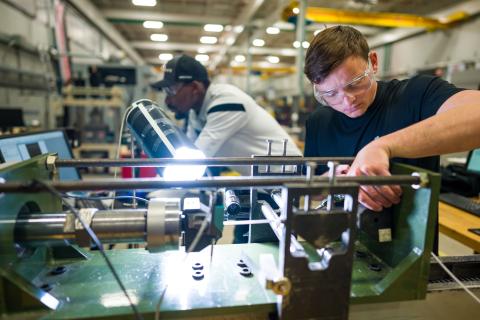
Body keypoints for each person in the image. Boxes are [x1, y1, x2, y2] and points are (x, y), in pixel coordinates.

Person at [303, 25, 480, 212]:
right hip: (334, 238)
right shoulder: (318, 122)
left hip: (407, 238)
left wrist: (381, 147)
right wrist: (328, 182)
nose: (347, 100)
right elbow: (310, 192)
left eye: (355, 83)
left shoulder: (415, 95)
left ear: (373, 61)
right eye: (330, 94)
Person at [152, 54, 302, 175]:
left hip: (288, 176)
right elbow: (190, 151)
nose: (167, 100)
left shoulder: (227, 103)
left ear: (195, 88)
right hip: (262, 180)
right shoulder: (195, 112)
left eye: (172, 90)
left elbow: (197, 158)